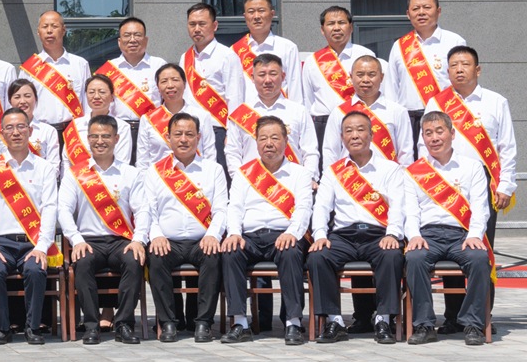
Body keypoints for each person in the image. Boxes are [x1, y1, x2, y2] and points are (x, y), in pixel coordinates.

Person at [423, 46, 513, 332]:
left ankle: (482, 315)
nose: (459, 69)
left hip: (484, 182)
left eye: (465, 64)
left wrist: (506, 184)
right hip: (445, 180)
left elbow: (507, 147)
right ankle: (453, 316)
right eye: (453, 65)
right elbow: (423, 144)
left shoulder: (496, 101)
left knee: (480, 247)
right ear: (447, 71)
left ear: (478, 69)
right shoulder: (437, 102)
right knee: (451, 247)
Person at [308, 110, 409, 345]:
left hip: (378, 234)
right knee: (318, 256)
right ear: (342, 138)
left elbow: (398, 206)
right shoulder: (334, 171)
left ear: (371, 135)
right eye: (349, 131)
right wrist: (320, 235)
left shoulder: (390, 169)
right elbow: (321, 207)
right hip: (344, 235)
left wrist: (393, 234)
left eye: (360, 130)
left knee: (392, 254)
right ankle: (334, 321)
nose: (354, 135)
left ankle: (383, 320)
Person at [137, 112, 229, 344]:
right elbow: (148, 210)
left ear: (199, 137)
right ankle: (168, 322)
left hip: (202, 240)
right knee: (156, 257)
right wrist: (156, 235)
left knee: (213, 256)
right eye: (178, 134)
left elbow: (221, 210)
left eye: (189, 134)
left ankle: (203, 323)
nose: (184, 139)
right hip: (168, 242)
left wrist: (213, 235)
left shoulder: (213, 169)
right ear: (168, 137)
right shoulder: (155, 171)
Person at [220, 117, 313, 344]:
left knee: (290, 251)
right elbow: (235, 208)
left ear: (286, 141)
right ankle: (240, 323)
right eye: (263, 138)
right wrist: (234, 233)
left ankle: (293, 323)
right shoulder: (244, 173)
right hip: (251, 236)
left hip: (284, 233)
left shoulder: (300, 173)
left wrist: (292, 233)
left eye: (274, 138)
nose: (268, 143)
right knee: (231, 251)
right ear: (256, 142)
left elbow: (303, 208)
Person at [403, 111, 491, 346]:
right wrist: (414, 236)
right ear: (423, 137)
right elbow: (410, 211)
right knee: (414, 258)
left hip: (460, 235)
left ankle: (472, 324)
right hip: (428, 235)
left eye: (439, 131)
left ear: (452, 133)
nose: (434, 138)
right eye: (428, 133)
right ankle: (424, 325)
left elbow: (480, 207)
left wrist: (474, 235)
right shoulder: (414, 172)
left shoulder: (472, 167)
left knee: (479, 259)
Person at [59, 115, 146, 344]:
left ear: (116, 138)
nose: (100, 141)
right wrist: (76, 240)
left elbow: (142, 210)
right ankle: (91, 326)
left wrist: (138, 240)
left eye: (106, 136)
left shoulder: (130, 173)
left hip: (121, 240)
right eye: (95, 136)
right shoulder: (75, 174)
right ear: (87, 139)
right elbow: (64, 210)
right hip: (88, 241)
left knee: (134, 261)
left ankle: (124, 324)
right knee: (82, 262)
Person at [0, 109, 57, 345]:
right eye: (9, 128)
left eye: (21, 127)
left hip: (32, 242)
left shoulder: (44, 168)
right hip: (2, 243)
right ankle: (4, 328)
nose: (16, 132)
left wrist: (42, 246)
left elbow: (50, 209)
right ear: (2, 134)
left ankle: (33, 328)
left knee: (35, 270)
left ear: (30, 131)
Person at [225, 53, 318, 183]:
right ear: (252, 78)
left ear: (283, 76)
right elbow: (232, 153)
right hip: (252, 185)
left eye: (273, 74)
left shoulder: (299, 112)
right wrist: (240, 181)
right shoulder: (240, 114)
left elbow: (310, 151)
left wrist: (309, 179)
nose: (267, 80)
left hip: (291, 185)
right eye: (262, 75)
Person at [384, 0, 467, 133]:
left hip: (445, 117)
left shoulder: (455, 42)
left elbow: (463, 84)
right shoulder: (399, 46)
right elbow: (391, 88)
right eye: (415, 9)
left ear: (438, 11)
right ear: (408, 14)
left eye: (427, 7)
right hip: (408, 121)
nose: (421, 12)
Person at [180, 3, 246, 173]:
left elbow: (235, 98)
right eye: (192, 24)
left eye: (202, 24)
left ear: (214, 26)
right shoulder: (185, 58)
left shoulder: (227, 56)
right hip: (190, 133)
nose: (196, 29)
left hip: (218, 132)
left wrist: (232, 135)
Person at [320, 55, 413, 168]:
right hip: (350, 176)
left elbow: (406, 154)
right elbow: (330, 153)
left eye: (371, 75)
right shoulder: (338, 113)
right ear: (351, 77)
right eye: (360, 75)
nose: (365, 80)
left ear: (381, 77)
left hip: (388, 177)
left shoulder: (397, 111)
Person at [299, 6, 375, 138]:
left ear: (351, 27)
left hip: (358, 122)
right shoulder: (312, 61)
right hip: (323, 125)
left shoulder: (366, 55)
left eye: (341, 23)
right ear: (322, 30)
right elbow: (307, 99)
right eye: (330, 23)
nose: (336, 28)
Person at [98, 17, 167, 151]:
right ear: (119, 41)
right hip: (118, 132)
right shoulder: (108, 70)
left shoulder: (159, 65)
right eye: (127, 35)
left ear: (146, 40)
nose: (132, 40)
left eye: (137, 35)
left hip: (152, 130)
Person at [135, 64, 215, 169]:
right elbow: (142, 161)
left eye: (175, 80)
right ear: (158, 87)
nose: (170, 85)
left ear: (184, 84)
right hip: (159, 177)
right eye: (164, 81)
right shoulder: (147, 119)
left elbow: (210, 155)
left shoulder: (202, 116)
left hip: (194, 175)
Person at [21, 11, 89, 132]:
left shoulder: (80, 64)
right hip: (40, 132)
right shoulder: (28, 69)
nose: (49, 31)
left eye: (54, 26)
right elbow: (21, 105)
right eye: (45, 26)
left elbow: (88, 102)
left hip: (73, 132)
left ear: (63, 30)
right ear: (38, 32)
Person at [232, 0, 302, 100]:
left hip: (279, 110)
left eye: (261, 11)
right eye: (251, 12)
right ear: (245, 16)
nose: (256, 16)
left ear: (272, 14)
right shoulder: (233, 51)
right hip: (246, 110)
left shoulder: (288, 48)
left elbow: (295, 87)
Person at [61, 75, 136, 175]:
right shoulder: (75, 125)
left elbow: (122, 162)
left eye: (102, 92)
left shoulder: (122, 127)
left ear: (112, 96)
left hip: (110, 180)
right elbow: (66, 162)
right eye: (91, 92)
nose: (96, 96)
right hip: (77, 181)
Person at [6, 78, 59, 159]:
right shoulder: (0, 132)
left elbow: (53, 164)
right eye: (17, 97)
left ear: (35, 99)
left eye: (27, 96)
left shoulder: (48, 131)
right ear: (10, 101)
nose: (22, 101)